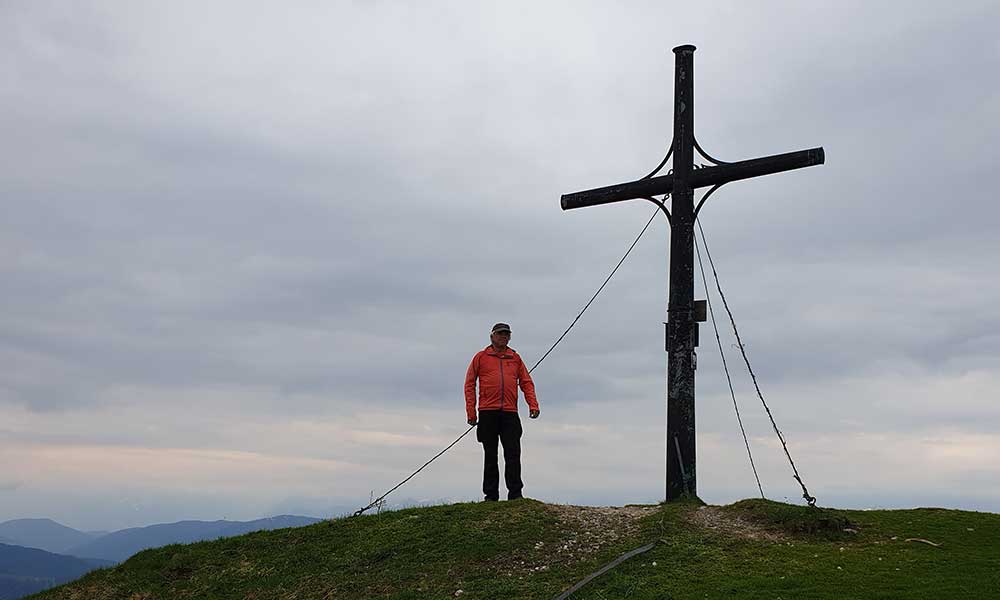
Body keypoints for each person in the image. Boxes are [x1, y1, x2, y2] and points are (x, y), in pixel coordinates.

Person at [464, 322, 540, 501]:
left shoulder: (515, 358)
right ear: (492, 336)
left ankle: (515, 494)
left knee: (513, 454)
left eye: (506, 334)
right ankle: (491, 496)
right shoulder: (481, 357)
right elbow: (469, 384)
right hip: (487, 412)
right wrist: (471, 413)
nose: (503, 337)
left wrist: (533, 405)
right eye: (500, 334)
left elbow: (526, 382)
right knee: (490, 455)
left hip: (510, 413)